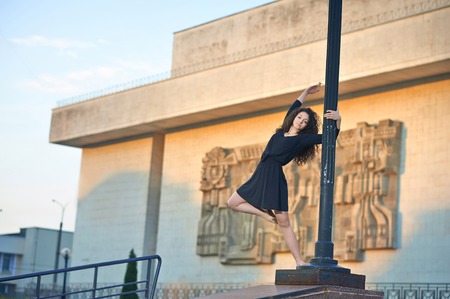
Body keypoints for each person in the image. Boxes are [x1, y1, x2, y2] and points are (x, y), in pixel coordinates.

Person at [227, 82, 341, 267]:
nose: (301, 122)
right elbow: (294, 106)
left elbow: (329, 138)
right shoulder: (281, 132)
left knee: (285, 223)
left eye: (305, 122)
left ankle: (299, 261)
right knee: (232, 202)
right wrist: (306, 92)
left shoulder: (301, 139)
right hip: (260, 173)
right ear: (294, 117)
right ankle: (265, 215)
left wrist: (338, 120)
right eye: (300, 118)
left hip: (274, 178)